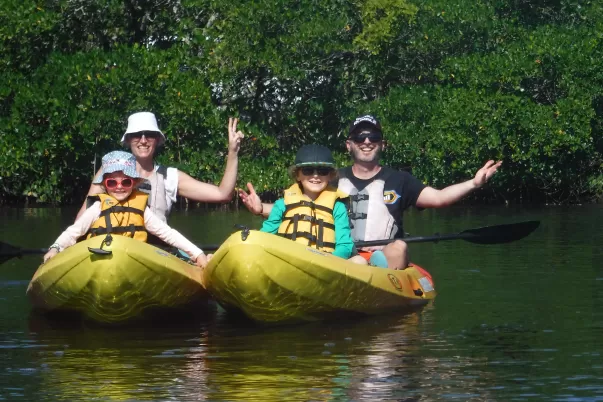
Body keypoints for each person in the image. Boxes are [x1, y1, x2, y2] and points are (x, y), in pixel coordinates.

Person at [238, 115, 502, 270]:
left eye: (373, 138)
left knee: (399, 247)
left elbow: (439, 198)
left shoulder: (400, 180)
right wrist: (261, 208)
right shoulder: (329, 178)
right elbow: (299, 207)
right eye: (360, 137)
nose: (367, 142)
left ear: (382, 144)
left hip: (382, 257)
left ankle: (376, 283)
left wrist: (474, 183)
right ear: (349, 145)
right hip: (341, 254)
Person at [44, 151, 209, 268]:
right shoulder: (97, 208)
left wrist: (197, 253)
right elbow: (74, 232)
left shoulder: (142, 210)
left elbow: (167, 233)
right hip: (98, 261)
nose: (119, 187)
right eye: (112, 183)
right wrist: (55, 247)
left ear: (134, 183)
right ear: (104, 185)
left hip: (133, 261)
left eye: (125, 182)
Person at [76, 112, 244, 222]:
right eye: (136, 135)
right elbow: (83, 217)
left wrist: (233, 152)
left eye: (149, 135)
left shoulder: (171, 177)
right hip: (113, 246)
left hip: (156, 251)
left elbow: (223, 194)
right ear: (128, 140)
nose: (143, 140)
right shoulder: (109, 169)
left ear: (157, 139)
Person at [259, 144, 354, 260]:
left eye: (322, 171)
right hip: (287, 260)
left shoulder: (338, 207)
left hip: (325, 262)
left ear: (330, 176)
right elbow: (265, 235)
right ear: (297, 175)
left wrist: (329, 261)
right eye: (307, 170)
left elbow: (344, 245)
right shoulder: (281, 204)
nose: (315, 176)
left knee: (359, 261)